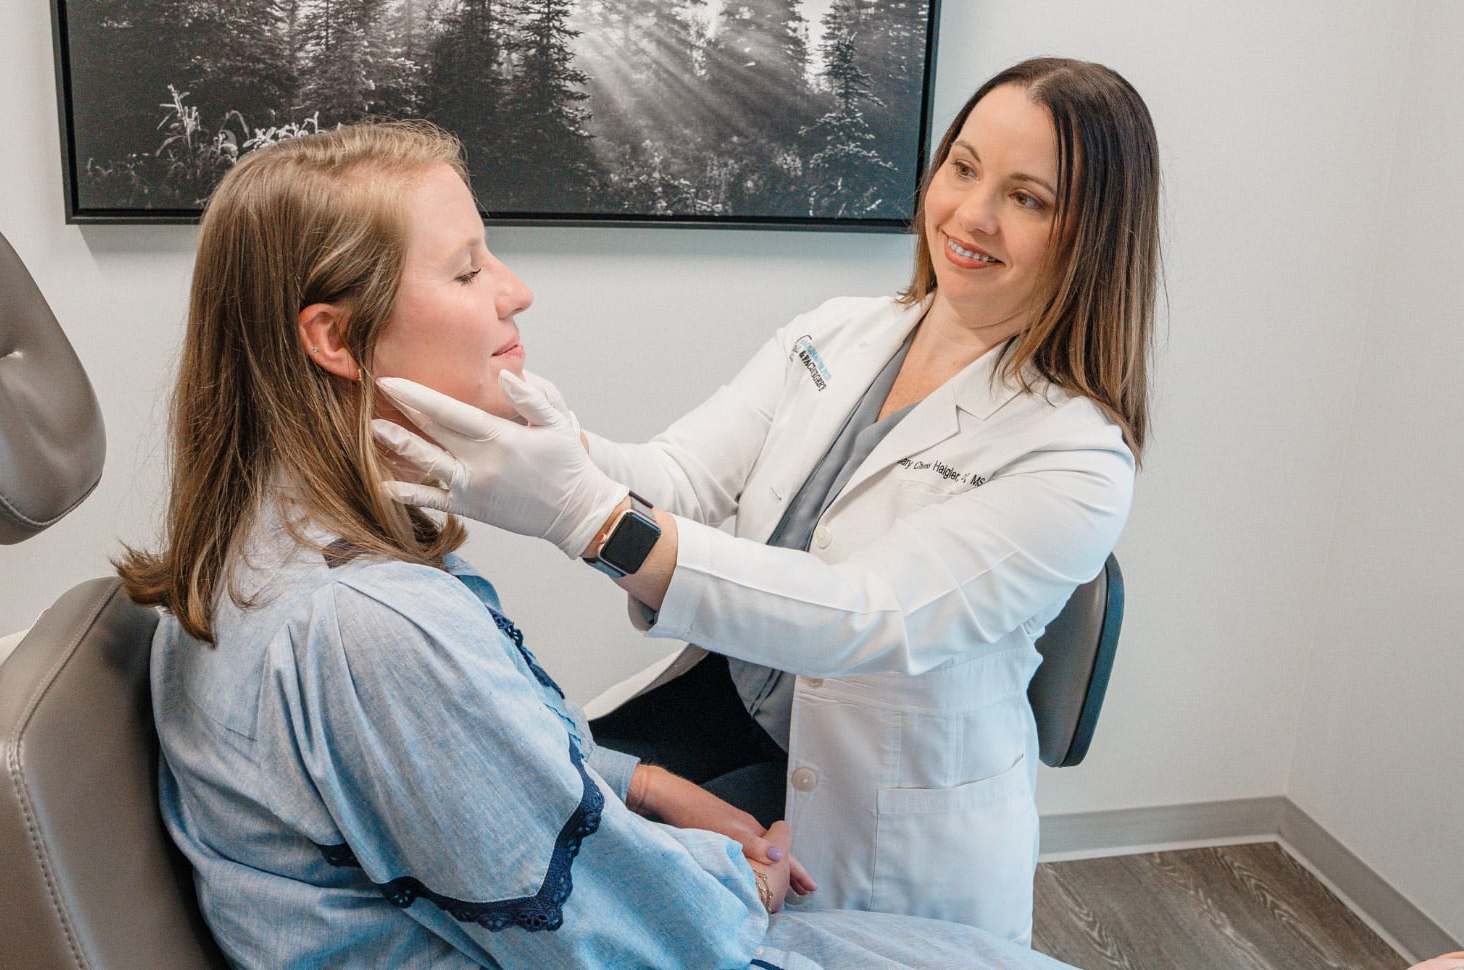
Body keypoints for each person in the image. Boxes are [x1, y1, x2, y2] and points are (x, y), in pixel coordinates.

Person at [116, 119, 1074, 969]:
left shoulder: (257, 547)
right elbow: (652, 933)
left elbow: (864, 617)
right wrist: (744, 879)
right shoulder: (365, 626)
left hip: (899, 808)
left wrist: (645, 782)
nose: (516, 292)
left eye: (1025, 197)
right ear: (334, 337)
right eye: (467, 269)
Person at [374, 56, 1157, 944]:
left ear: (1096, 231)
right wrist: (562, 452)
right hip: (733, 717)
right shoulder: (835, 333)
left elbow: (865, 616)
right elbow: (684, 480)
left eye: (1029, 198)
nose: (971, 214)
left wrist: (588, 516)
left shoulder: (1078, 456)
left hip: (881, 828)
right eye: (964, 167)